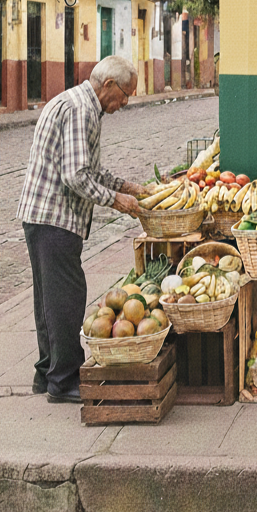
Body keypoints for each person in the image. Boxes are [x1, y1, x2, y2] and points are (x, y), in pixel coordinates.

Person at [17, 55, 147, 403]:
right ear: (109, 85)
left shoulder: (78, 103)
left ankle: (46, 373)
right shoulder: (81, 110)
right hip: (54, 218)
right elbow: (76, 176)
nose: (126, 102)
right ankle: (64, 380)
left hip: (41, 216)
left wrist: (127, 187)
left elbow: (89, 168)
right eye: (125, 94)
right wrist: (116, 200)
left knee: (48, 299)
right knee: (67, 298)